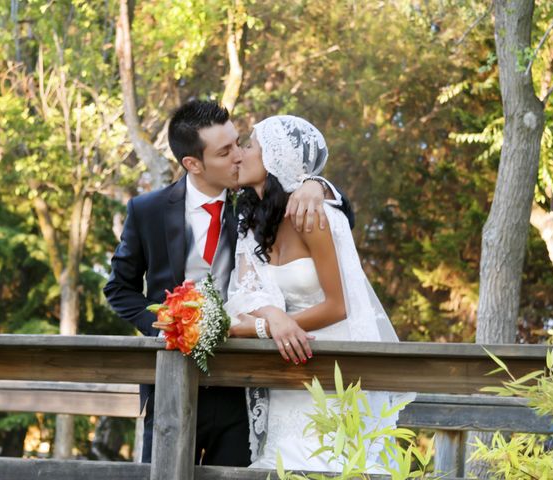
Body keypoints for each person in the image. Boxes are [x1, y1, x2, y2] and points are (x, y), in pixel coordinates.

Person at [103, 100, 352, 465]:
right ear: (193, 163)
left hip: (243, 389)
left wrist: (317, 185)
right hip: (171, 385)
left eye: (239, 143)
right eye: (225, 151)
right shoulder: (148, 211)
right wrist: (165, 327)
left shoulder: (253, 205)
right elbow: (119, 290)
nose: (238, 156)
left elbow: (338, 224)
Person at [225, 115, 413, 473]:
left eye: (250, 146)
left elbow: (338, 306)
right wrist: (271, 321)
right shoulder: (252, 222)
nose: (241, 154)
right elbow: (246, 295)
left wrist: (266, 328)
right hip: (285, 371)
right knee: (279, 465)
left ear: (276, 160)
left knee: (333, 463)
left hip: (331, 366)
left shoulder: (315, 214)